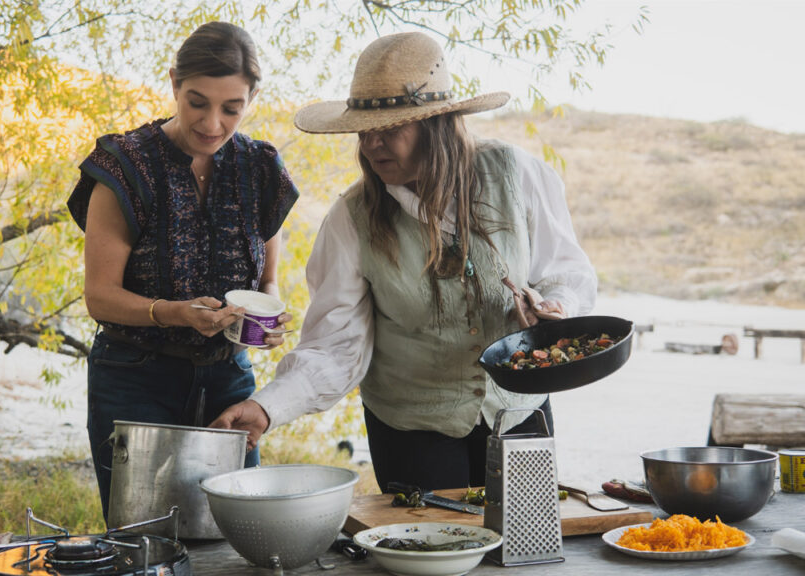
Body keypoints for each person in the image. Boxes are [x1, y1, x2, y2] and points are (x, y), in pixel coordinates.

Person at [211, 32, 596, 491]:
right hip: (413, 435)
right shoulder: (351, 220)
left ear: (436, 125)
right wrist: (268, 407)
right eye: (364, 131)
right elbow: (335, 346)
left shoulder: (519, 175)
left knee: (524, 554)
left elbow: (566, 274)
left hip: (519, 415)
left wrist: (556, 310)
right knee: (430, 554)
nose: (372, 145)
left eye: (390, 129)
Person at [66, 21, 299, 522]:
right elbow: (99, 297)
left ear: (251, 99)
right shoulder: (126, 165)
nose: (212, 122)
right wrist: (176, 313)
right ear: (174, 83)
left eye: (231, 108)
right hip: (134, 378)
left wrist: (264, 326)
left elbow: (267, 284)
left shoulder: (261, 169)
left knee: (237, 531)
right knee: (143, 538)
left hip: (230, 379)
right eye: (197, 101)